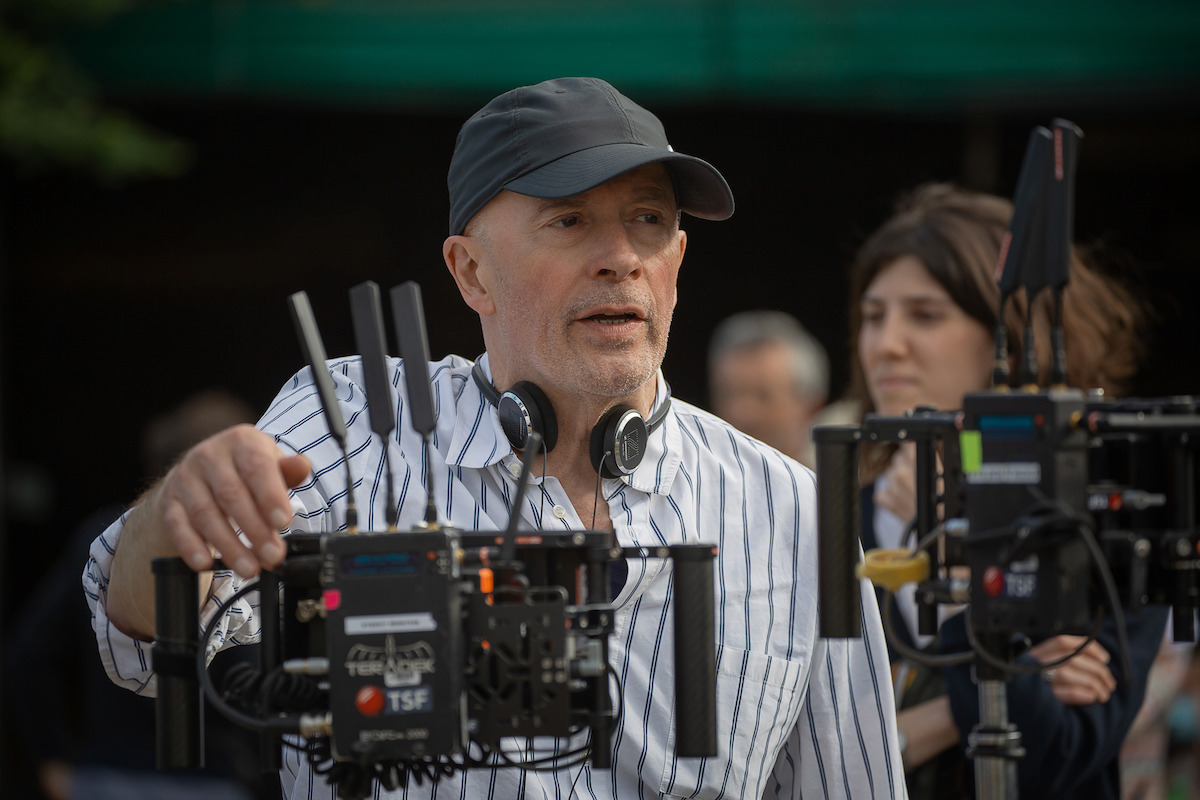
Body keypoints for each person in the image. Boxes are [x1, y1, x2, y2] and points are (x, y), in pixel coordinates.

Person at [83, 77, 906, 799]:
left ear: (678, 258)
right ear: (471, 271)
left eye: (648, 220)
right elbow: (143, 635)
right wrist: (180, 513)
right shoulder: (360, 422)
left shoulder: (793, 506)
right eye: (571, 221)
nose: (620, 257)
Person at [844, 182, 1169, 800]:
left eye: (926, 314)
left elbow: (1052, 758)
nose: (885, 344)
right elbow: (790, 759)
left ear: (1011, 338)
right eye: (872, 315)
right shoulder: (825, 523)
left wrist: (962, 553)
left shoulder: (1106, 526)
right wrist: (969, 704)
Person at [5, 390, 276, 800]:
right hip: (210, 782)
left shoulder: (98, 540)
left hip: (109, 777)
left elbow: (28, 654)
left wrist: (53, 760)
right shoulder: (249, 552)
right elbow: (256, 683)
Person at [707, 310, 831, 469]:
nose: (742, 413)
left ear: (812, 406)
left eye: (763, 396)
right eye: (728, 394)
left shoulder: (838, 489)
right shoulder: (692, 486)